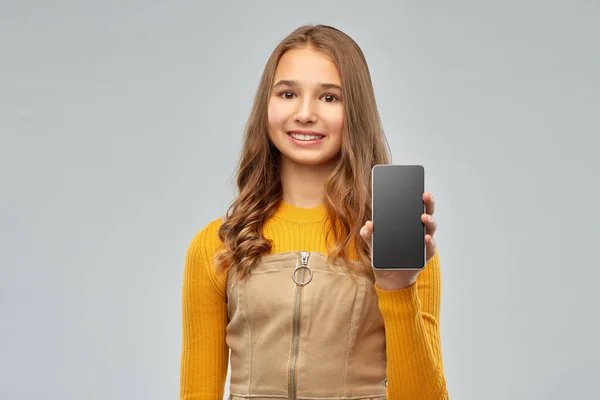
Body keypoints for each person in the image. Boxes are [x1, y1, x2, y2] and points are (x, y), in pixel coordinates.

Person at [180, 24, 448, 400]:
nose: (304, 114)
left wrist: (396, 286)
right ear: (266, 106)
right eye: (288, 93)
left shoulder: (399, 246)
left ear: (355, 110)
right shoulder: (217, 245)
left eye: (329, 97)